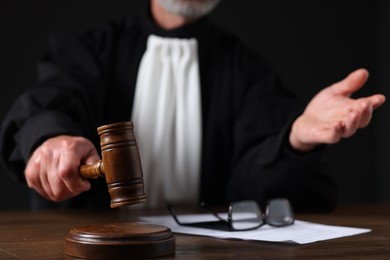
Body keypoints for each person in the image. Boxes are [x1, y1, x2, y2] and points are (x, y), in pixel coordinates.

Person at [0, 0, 385, 211]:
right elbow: (49, 102)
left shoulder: (246, 70)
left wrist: (296, 138)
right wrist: (51, 139)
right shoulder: (91, 50)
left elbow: (251, 183)